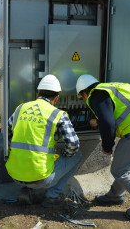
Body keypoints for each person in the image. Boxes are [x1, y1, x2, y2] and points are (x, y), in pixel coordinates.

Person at [76, 74, 130, 222]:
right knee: (123, 166)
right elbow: (114, 111)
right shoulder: (110, 88)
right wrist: (99, 120)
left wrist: (107, 147)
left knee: (120, 170)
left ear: (84, 94)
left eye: (82, 98)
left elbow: (108, 123)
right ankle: (114, 196)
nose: (85, 101)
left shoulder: (95, 95)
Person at [6, 74, 82, 208]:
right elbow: (73, 144)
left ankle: (27, 189)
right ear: (56, 98)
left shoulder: (20, 108)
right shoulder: (58, 114)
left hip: (13, 174)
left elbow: (6, 134)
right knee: (77, 156)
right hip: (41, 178)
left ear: (38, 94)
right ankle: (52, 196)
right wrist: (64, 154)